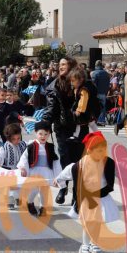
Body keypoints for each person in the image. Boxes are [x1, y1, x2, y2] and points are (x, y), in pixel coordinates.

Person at [56, 131, 118, 253]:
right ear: (89, 151)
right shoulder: (80, 165)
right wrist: (58, 180)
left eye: (103, 150)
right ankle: (85, 245)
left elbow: (119, 174)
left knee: (97, 222)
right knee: (88, 222)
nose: (102, 153)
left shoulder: (108, 163)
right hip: (86, 198)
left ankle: (94, 244)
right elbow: (67, 173)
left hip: (101, 197)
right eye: (98, 151)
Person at [41, 57, 79, 205]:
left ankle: (76, 192)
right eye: (60, 65)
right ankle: (63, 187)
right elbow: (51, 108)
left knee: (77, 159)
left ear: (71, 66)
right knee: (64, 158)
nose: (60, 67)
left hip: (79, 126)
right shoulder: (54, 85)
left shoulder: (81, 82)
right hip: (62, 127)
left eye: (64, 64)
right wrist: (44, 124)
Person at [17, 121, 62, 217]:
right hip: (34, 172)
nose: (43, 136)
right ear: (35, 133)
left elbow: (56, 162)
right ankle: (29, 202)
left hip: (47, 172)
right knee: (33, 190)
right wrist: (22, 168)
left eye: (46, 134)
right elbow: (24, 158)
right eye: (40, 134)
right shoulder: (31, 146)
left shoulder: (51, 147)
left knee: (44, 190)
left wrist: (58, 176)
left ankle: (43, 208)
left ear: (49, 134)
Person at [0, 123, 27, 210]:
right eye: (14, 139)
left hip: (19, 170)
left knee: (19, 185)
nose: (17, 141)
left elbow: (29, 148)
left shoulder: (23, 145)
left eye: (18, 138)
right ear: (8, 138)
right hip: (8, 171)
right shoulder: (4, 148)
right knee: (9, 187)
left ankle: (18, 198)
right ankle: (10, 200)